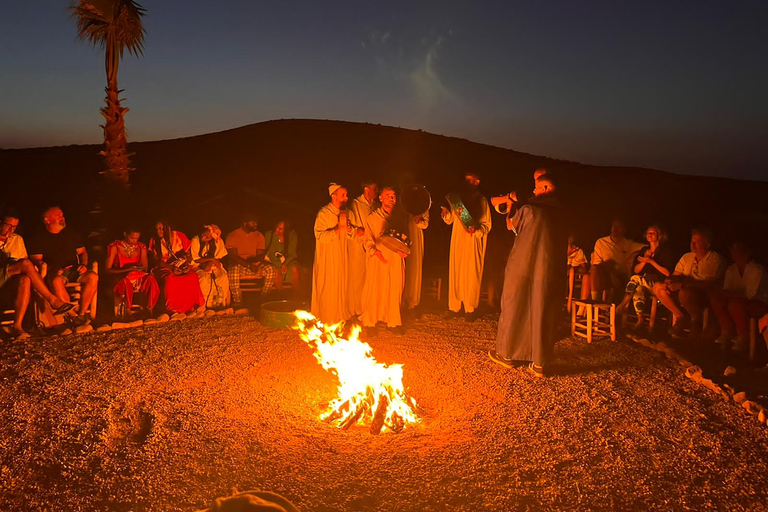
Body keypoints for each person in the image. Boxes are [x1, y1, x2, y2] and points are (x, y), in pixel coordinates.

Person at [490, 174, 566, 377]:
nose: (533, 191)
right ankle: (540, 362)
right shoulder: (562, 212)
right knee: (543, 309)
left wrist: (512, 205)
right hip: (549, 268)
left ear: (546, 187)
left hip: (524, 265)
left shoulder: (530, 210)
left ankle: (507, 354)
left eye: (536, 187)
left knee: (514, 304)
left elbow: (510, 224)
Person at [0, 209, 74, 339]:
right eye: (8, 225)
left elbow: (23, 262)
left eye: (14, 227)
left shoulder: (16, 239)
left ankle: (17, 326)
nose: (11, 230)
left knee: (25, 279)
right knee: (26, 264)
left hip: (10, 281)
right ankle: (52, 300)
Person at [29, 206, 98, 327]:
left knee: (93, 276)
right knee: (56, 281)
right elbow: (36, 260)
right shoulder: (38, 237)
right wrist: (52, 269)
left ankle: (81, 314)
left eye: (62, 215)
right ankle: (73, 316)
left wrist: (83, 264)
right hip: (56, 272)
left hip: (74, 269)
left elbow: (82, 252)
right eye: (58, 215)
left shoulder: (71, 233)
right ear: (47, 220)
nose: (62, 217)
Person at [654, 228, 724, 341]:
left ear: (707, 244)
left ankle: (696, 321)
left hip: (703, 296)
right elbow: (675, 274)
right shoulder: (687, 257)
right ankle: (681, 317)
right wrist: (669, 280)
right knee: (658, 287)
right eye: (692, 241)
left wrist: (682, 284)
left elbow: (708, 284)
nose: (693, 244)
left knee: (685, 293)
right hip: (682, 290)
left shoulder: (715, 260)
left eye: (697, 241)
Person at [441, 172, 492, 321]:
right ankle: (454, 307)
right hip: (457, 240)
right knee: (456, 270)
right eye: (466, 180)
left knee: (471, 273)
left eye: (471, 180)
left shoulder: (481, 200)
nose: (468, 183)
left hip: (472, 241)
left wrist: (477, 230)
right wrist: (445, 213)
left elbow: (487, 225)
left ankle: (470, 309)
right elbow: (450, 220)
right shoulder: (457, 199)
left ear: (477, 182)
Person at [360, 187, 408, 336]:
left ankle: (392, 323)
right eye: (388, 196)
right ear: (380, 198)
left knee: (394, 290)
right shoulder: (373, 218)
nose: (391, 198)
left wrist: (404, 250)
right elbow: (368, 240)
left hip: (395, 258)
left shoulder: (400, 217)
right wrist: (375, 252)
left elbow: (405, 238)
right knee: (375, 290)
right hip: (379, 258)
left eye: (393, 196)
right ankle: (370, 323)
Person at [709, 241, 768, 351]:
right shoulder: (731, 270)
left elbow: (750, 294)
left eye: (739, 252)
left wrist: (729, 294)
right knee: (716, 300)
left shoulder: (756, 270)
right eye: (733, 252)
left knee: (734, 305)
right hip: (737, 300)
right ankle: (726, 330)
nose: (736, 255)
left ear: (747, 253)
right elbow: (727, 289)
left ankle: (743, 336)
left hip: (759, 303)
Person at [615, 225, 675, 330]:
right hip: (643, 281)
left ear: (660, 235)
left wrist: (651, 262)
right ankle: (640, 319)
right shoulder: (644, 250)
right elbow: (636, 270)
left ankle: (622, 305)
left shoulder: (664, 252)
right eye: (648, 232)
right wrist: (644, 262)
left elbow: (667, 272)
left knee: (636, 279)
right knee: (637, 286)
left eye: (653, 232)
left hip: (657, 284)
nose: (650, 234)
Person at [311, 183, 352, 325]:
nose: (346, 198)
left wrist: (349, 230)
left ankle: (339, 321)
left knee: (341, 286)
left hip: (341, 257)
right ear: (334, 196)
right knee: (328, 287)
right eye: (343, 195)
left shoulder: (345, 213)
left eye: (346, 195)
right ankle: (326, 320)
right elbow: (320, 236)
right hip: (327, 259)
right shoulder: (323, 214)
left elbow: (349, 236)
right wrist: (337, 229)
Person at [148, 220, 204, 314]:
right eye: (156, 229)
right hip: (164, 267)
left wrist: (186, 265)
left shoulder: (179, 236)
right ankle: (172, 309)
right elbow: (157, 262)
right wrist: (171, 268)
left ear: (168, 228)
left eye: (161, 229)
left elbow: (188, 254)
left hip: (180, 265)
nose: (158, 231)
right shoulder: (154, 240)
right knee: (170, 278)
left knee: (192, 276)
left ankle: (192, 306)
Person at [105, 228, 160, 318]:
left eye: (137, 239)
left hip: (136, 276)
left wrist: (136, 270)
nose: (135, 241)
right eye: (132, 238)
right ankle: (128, 311)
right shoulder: (114, 247)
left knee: (151, 279)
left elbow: (145, 268)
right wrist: (127, 270)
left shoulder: (141, 247)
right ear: (125, 234)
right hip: (120, 277)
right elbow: (107, 270)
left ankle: (149, 308)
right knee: (126, 282)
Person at [225, 214, 277, 306]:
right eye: (253, 222)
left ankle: (264, 299)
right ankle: (238, 301)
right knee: (233, 270)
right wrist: (248, 265)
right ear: (245, 223)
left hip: (254, 265)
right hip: (240, 265)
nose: (255, 224)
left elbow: (261, 253)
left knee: (271, 269)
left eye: (256, 222)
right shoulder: (233, 235)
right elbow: (233, 256)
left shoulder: (258, 235)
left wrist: (256, 263)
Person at [589, 219, 645, 302]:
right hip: (605, 273)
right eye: (613, 226)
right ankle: (594, 302)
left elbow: (645, 246)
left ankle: (593, 307)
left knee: (589, 276)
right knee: (592, 272)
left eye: (618, 227)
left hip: (621, 276)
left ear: (624, 230)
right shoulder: (601, 242)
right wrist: (612, 274)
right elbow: (597, 264)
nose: (615, 229)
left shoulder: (629, 244)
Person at [346, 181, 379, 316]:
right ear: (366, 189)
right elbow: (351, 229)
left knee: (371, 280)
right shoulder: (355, 205)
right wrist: (360, 231)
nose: (377, 191)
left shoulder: (376, 206)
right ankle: (356, 311)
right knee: (357, 280)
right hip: (357, 247)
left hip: (373, 246)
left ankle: (369, 309)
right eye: (375, 188)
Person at [190, 224, 231, 309]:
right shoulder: (195, 240)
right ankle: (205, 305)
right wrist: (211, 260)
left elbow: (218, 257)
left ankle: (220, 304)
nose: (205, 236)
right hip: (197, 265)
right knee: (204, 279)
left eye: (208, 236)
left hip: (213, 264)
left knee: (222, 277)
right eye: (204, 234)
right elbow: (196, 259)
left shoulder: (218, 241)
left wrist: (210, 262)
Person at [403, 208, 429, 312]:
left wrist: (419, 220)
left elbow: (425, 223)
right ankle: (400, 302)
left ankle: (412, 303)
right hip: (402, 234)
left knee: (414, 268)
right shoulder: (402, 201)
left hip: (415, 236)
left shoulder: (422, 204)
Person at [263, 220, 300, 291]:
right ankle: (281, 293)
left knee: (294, 269)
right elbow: (266, 252)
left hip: (287, 261)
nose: (277, 230)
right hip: (272, 261)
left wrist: (285, 264)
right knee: (276, 271)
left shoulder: (292, 236)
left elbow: (292, 254)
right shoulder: (270, 235)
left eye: (280, 229)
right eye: (277, 227)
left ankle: (296, 293)